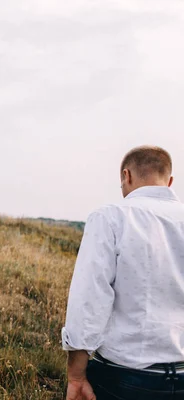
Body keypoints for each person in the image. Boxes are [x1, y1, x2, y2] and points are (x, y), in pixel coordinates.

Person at [63, 145, 184, 400]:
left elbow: (89, 298)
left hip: (125, 376)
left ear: (126, 176)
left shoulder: (111, 217)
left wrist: (76, 375)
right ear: (169, 181)